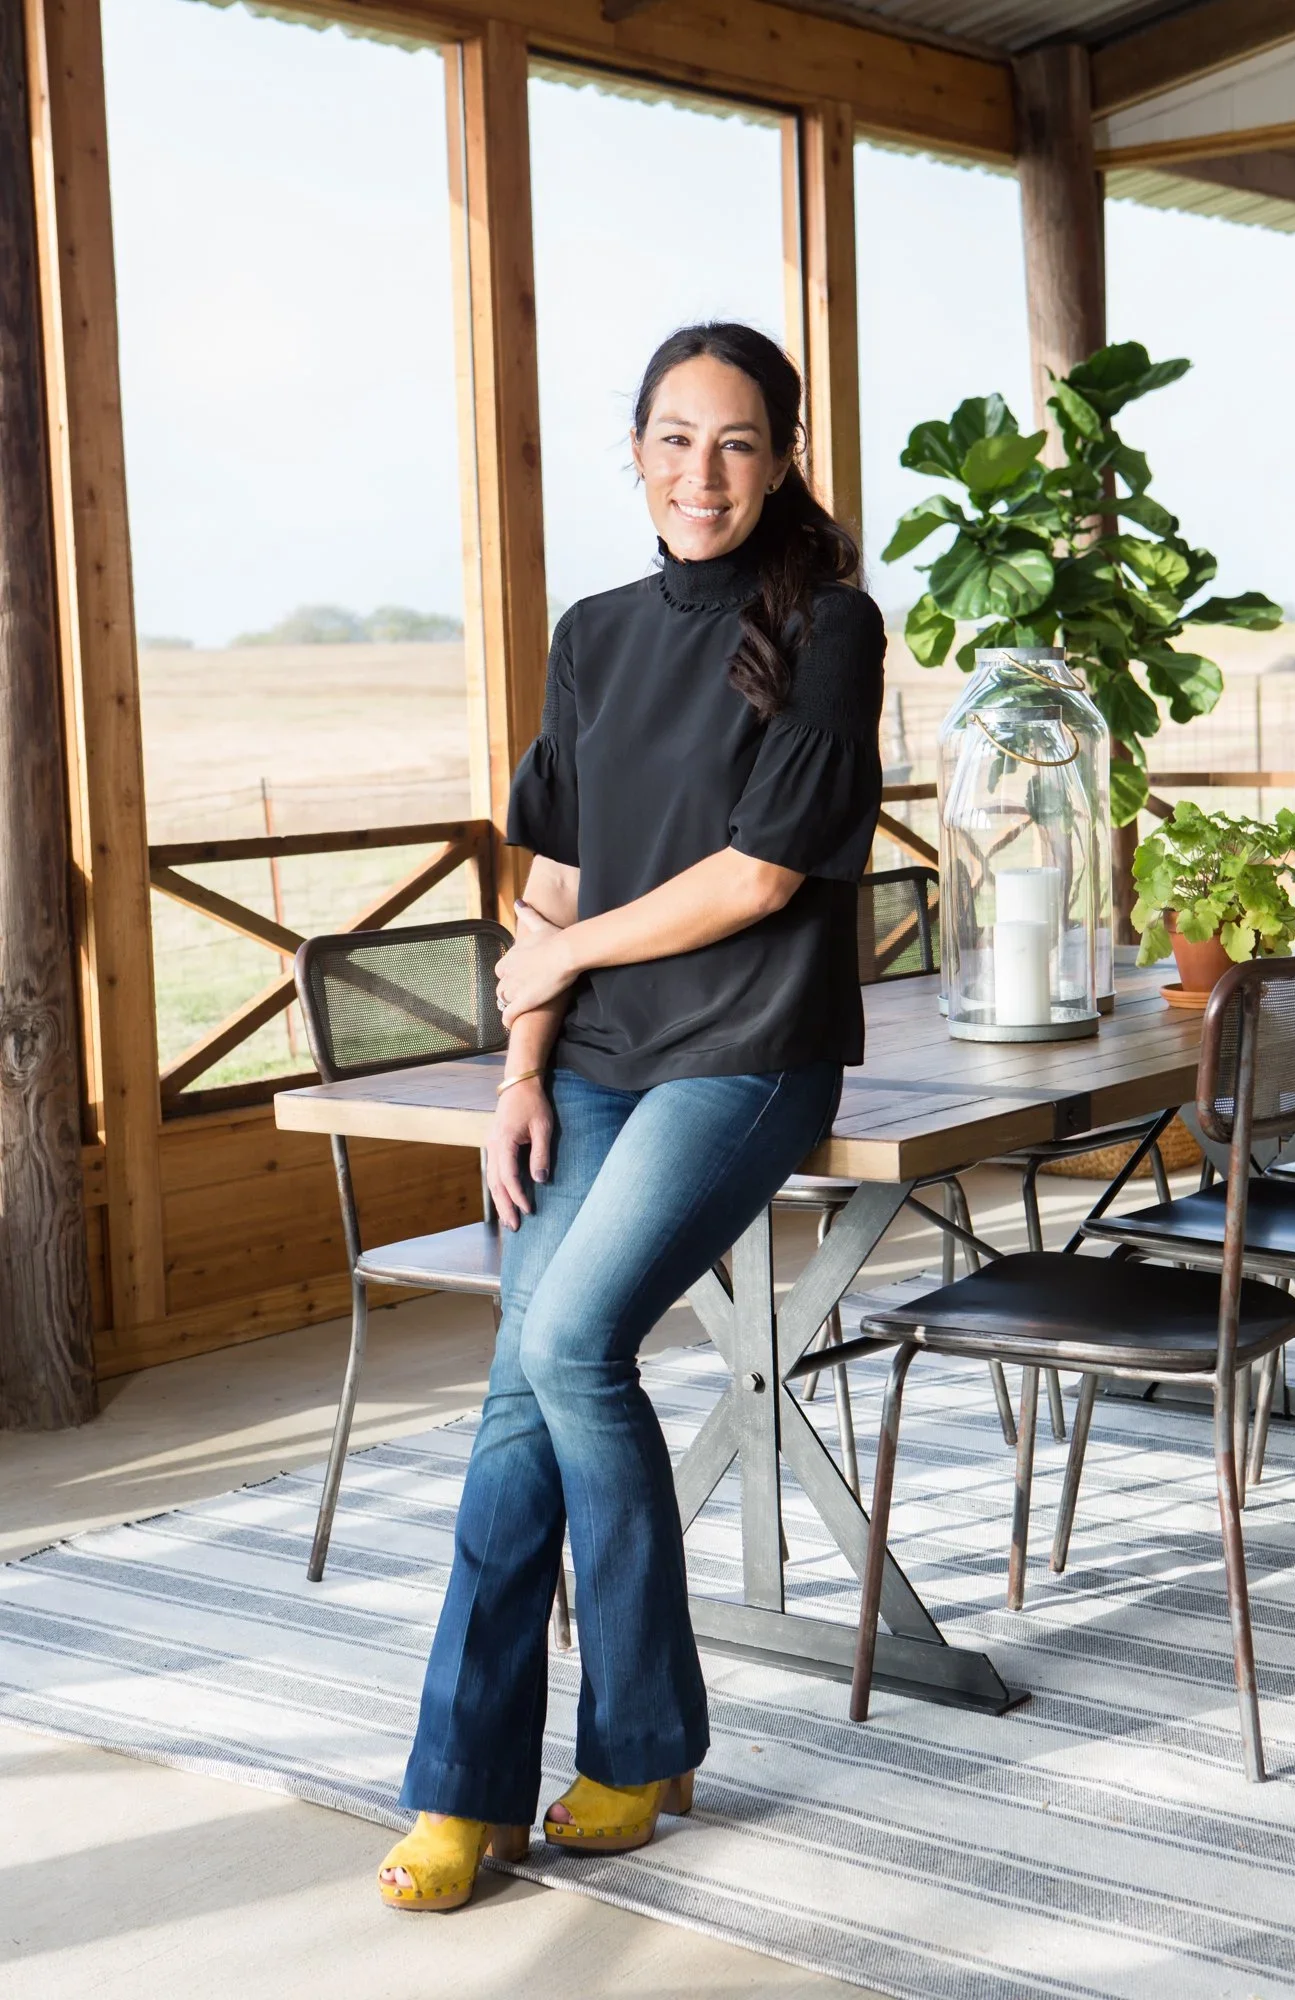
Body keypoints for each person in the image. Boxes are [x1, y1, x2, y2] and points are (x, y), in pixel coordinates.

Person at [378, 321, 885, 1912]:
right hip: (593, 1058)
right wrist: (517, 1070)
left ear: (784, 455)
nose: (702, 473)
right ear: (639, 452)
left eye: (737, 442)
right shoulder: (593, 631)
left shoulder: (834, 628)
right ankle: (471, 1788)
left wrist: (563, 961)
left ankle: (641, 1740)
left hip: (746, 1053)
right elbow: (557, 875)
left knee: (570, 1345)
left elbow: (764, 873)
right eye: (674, 439)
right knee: (520, 1396)